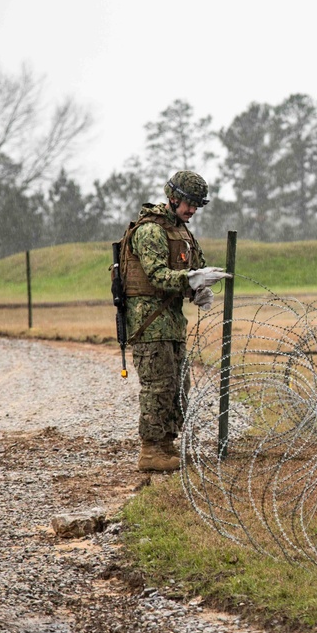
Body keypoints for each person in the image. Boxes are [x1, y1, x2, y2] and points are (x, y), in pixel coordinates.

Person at [118, 170, 231, 472]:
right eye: (188, 204)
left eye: (196, 205)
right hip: (149, 323)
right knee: (157, 388)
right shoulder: (150, 231)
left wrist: (200, 287)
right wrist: (190, 280)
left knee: (179, 386)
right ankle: (150, 450)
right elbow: (156, 276)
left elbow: (196, 268)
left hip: (171, 323)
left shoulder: (182, 231)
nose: (192, 210)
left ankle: (166, 444)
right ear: (173, 198)